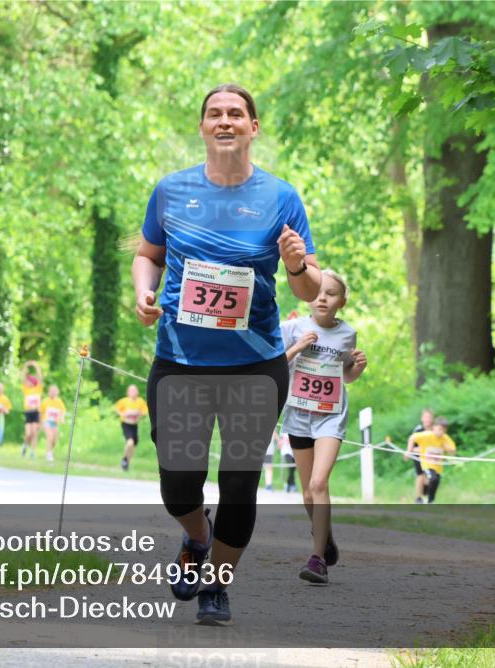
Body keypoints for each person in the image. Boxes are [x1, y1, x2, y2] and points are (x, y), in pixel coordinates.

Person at [133, 83, 320, 624]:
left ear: (253, 127)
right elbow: (149, 255)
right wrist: (143, 292)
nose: (225, 121)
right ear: (202, 127)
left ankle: (217, 584)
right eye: (214, 113)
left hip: (254, 366)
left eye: (236, 113)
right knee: (178, 481)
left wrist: (296, 263)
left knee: (240, 481)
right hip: (180, 362)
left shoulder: (281, 197)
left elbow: (308, 292)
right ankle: (197, 537)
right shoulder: (171, 190)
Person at [280, 269, 367, 583]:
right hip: (299, 415)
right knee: (307, 493)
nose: (322, 298)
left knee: (319, 484)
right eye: (317, 292)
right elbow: (274, 364)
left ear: (341, 302)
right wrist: (297, 348)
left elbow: (344, 377)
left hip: (330, 415)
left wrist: (357, 368)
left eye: (330, 293)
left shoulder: (347, 334)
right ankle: (324, 534)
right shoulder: (293, 328)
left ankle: (317, 559)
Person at [405, 417, 457, 504]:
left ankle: (430, 499)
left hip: (438, 466)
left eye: (443, 430)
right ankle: (427, 499)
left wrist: (446, 447)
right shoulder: (427, 435)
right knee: (432, 478)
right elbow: (412, 438)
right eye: (439, 429)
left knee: (436, 480)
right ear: (434, 427)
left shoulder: (445, 438)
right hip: (427, 464)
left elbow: (453, 451)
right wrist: (408, 451)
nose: (441, 432)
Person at [115, 384, 148, 471]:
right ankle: (125, 460)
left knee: (133, 445)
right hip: (126, 424)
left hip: (134, 425)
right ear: (128, 392)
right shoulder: (124, 401)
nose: (133, 392)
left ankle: (126, 462)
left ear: (137, 392)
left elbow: (145, 411)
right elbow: (117, 409)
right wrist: (124, 414)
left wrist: (137, 413)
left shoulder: (140, 401)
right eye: (131, 391)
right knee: (130, 443)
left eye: (135, 390)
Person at [406, 408, 434, 503]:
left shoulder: (435, 429)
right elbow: (412, 442)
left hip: (430, 457)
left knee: (430, 477)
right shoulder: (418, 429)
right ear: (422, 418)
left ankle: (426, 492)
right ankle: (418, 498)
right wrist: (409, 452)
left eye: (429, 417)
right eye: (425, 417)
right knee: (420, 475)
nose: (427, 419)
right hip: (418, 456)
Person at [263, 428, 297, 493]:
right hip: (285, 451)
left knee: (269, 467)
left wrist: (278, 440)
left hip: (270, 447)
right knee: (268, 467)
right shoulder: (283, 429)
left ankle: (269, 485)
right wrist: (279, 440)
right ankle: (289, 485)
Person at [21, 360, 43, 458]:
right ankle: (25, 445)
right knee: (28, 433)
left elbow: (40, 378)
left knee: (34, 432)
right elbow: (22, 377)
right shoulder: (26, 390)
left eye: (29, 381)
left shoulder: (37, 389)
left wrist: (36, 366)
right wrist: (26, 366)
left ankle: (32, 451)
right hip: (28, 412)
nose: (27, 382)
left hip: (36, 412)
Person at [40, 384, 66, 462]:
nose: (52, 393)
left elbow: (63, 411)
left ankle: (50, 450)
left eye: (54, 391)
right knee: (50, 436)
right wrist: (40, 423)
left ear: (57, 393)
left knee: (54, 440)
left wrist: (62, 418)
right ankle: (49, 454)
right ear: (48, 392)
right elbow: (41, 413)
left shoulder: (59, 401)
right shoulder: (45, 401)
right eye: (51, 391)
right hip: (46, 421)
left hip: (55, 423)